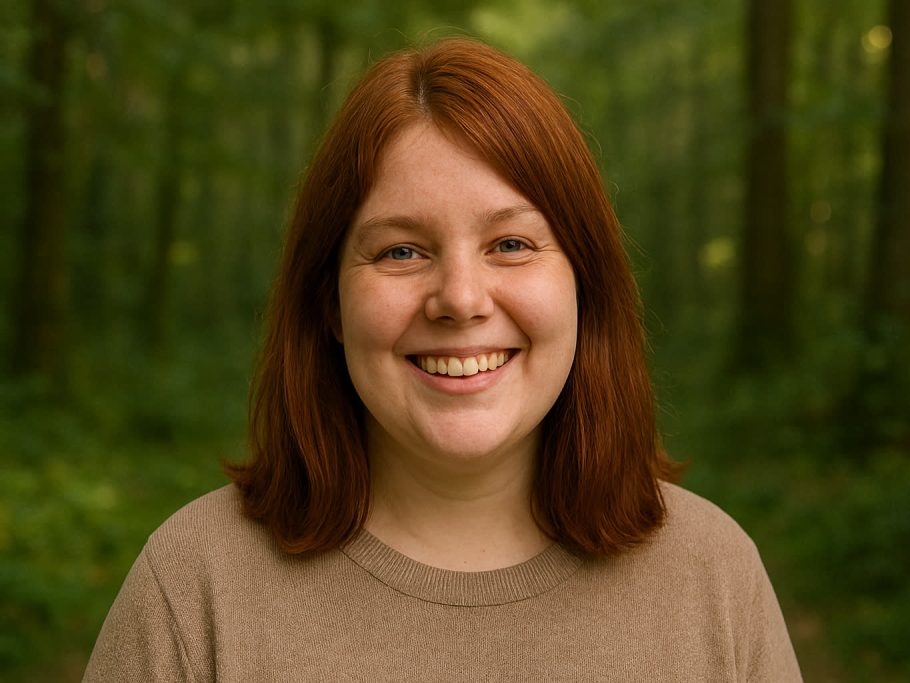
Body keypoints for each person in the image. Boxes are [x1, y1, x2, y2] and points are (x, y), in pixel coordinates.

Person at [85, 38, 802, 681]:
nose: (460, 299)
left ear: (585, 284)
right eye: (401, 250)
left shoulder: (713, 577)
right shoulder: (195, 585)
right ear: (329, 302)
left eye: (511, 245)